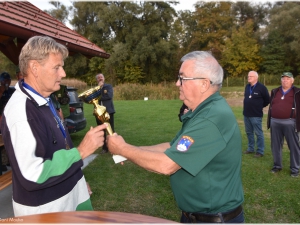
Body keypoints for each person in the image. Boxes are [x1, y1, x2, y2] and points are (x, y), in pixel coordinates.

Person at [107, 51, 244, 223]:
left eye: (182, 78)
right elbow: (172, 147)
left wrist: (122, 149)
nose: (177, 83)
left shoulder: (211, 118)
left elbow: (167, 164)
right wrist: (128, 149)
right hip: (197, 217)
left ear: (204, 84)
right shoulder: (203, 111)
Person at [0, 36, 107, 216]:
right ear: (34, 68)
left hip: (69, 196)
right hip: (47, 210)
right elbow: (32, 175)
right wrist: (81, 152)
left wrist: (78, 180)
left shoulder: (44, 98)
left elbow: (62, 146)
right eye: (57, 67)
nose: (63, 74)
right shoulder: (21, 111)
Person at [267, 72, 300, 177]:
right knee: (275, 145)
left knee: (294, 146)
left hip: (290, 122)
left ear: (292, 80)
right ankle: (277, 166)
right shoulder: (275, 91)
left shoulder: (298, 92)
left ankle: (295, 169)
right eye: (283, 79)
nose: (285, 80)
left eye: (288, 78)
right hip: (275, 122)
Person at [243, 71, 270, 157]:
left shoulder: (261, 88)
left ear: (256, 78)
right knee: (249, 132)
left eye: (251, 76)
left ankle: (260, 151)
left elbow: (267, 100)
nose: (249, 78)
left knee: (258, 133)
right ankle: (251, 148)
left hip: (256, 115)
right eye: (248, 76)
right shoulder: (247, 87)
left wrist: (259, 106)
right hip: (246, 114)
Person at [95, 73, 115, 154]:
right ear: (97, 80)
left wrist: (99, 97)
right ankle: (104, 148)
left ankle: (113, 147)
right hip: (99, 113)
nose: (100, 78)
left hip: (108, 112)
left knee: (111, 130)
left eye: (101, 77)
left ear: (104, 78)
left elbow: (109, 96)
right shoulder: (95, 89)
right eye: (98, 78)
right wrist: (99, 88)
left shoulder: (108, 86)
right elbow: (93, 98)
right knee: (101, 131)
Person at [0, 72, 15, 172]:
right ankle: (2, 165)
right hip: (1, 120)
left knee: (11, 142)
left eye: (8, 80)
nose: (6, 82)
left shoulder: (12, 90)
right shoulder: (0, 90)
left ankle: (10, 162)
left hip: (10, 120)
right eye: (4, 80)